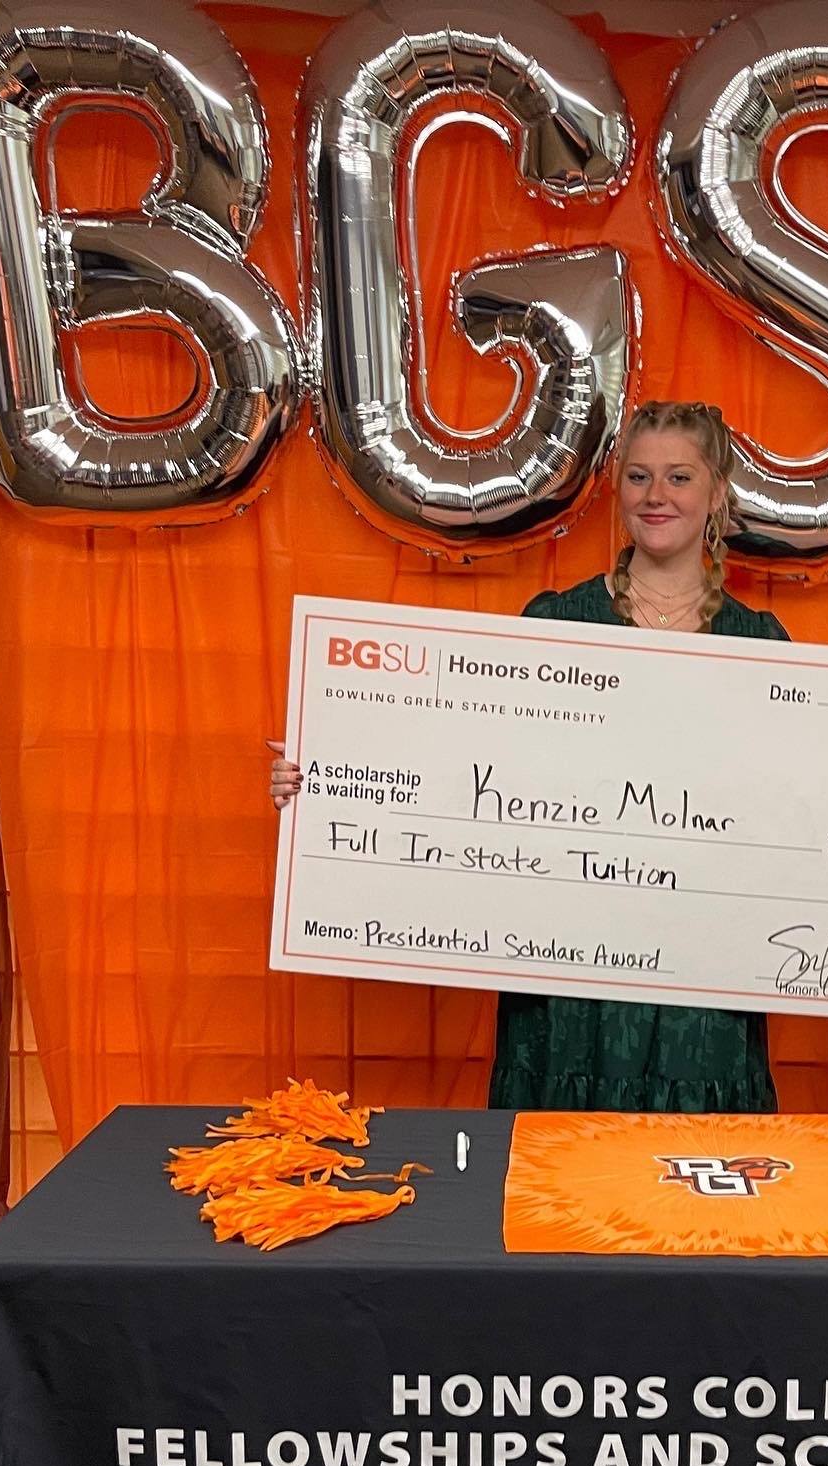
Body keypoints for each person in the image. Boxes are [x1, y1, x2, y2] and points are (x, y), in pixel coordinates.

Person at [271, 400, 784, 1111]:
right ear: (618, 488)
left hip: (701, 986)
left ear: (717, 493)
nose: (656, 495)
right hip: (565, 978)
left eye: (679, 477)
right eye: (639, 476)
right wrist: (329, 780)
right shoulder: (553, 624)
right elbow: (473, 773)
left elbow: (792, 806)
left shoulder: (761, 645)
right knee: (557, 1165)